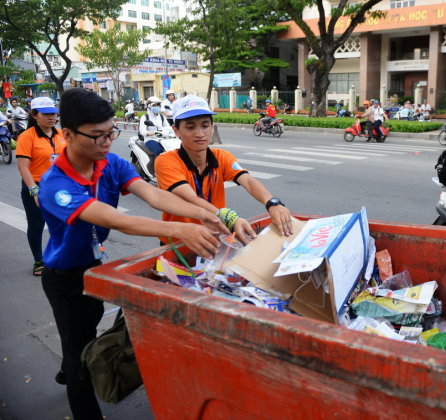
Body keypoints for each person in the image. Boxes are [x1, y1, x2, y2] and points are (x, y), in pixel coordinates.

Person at [38, 88, 225, 420]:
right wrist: (180, 230)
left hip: (94, 265)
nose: (107, 142)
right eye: (97, 136)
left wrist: (207, 215)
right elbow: (114, 220)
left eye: (112, 132)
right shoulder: (55, 185)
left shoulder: (109, 162)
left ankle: (70, 366)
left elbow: (152, 195)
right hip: (64, 277)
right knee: (78, 350)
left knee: (90, 326)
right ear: (67, 135)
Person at [155, 94, 294, 244]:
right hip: (179, 244)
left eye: (205, 125)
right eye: (190, 127)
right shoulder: (166, 161)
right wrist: (230, 218)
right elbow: (190, 198)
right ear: (176, 131)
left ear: (212, 127)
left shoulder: (222, 157)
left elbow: (247, 180)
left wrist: (272, 203)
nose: (200, 133)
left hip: (215, 237)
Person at [15, 97, 66, 276]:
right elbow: (23, 167)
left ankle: (59, 256)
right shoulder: (26, 137)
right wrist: (34, 190)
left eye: (53, 113)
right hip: (35, 186)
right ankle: (39, 260)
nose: (51, 117)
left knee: (62, 223)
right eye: (46, 114)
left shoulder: (61, 134)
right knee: (37, 225)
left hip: (59, 187)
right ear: (35, 115)